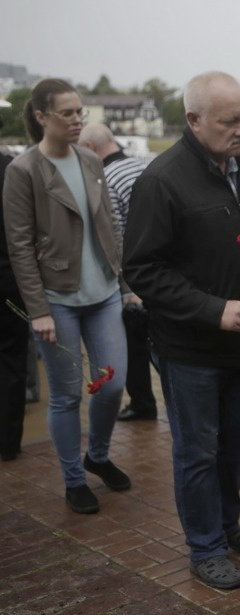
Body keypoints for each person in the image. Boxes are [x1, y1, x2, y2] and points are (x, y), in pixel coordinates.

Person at [123, 71, 240, 590]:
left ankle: (226, 523)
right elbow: (142, 269)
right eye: (229, 120)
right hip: (189, 346)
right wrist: (213, 309)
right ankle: (206, 546)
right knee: (198, 449)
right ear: (193, 120)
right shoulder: (162, 180)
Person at [2, 79, 130, 511]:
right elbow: (18, 246)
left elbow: (111, 227)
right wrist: (38, 310)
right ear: (42, 117)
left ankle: (97, 456)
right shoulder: (23, 171)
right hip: (57, 300)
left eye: (81, 112)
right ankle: (74, 479)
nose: (78, 120)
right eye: (68, 113)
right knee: (66, 395)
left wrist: (125, 284)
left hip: (105, 294)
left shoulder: (92, 161)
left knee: (113, 386)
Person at [77, 123, 157, 422]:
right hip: (158, 266)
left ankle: (142, 402)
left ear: (92, 149)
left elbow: (114, 234)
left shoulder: (106, 179)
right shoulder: (139, 168)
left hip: (132, 274)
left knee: (134, 346)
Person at [0, 143, 29, 462]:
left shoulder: (14, 169)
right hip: (11, 276)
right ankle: (8, 440)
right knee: (11, 359)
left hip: (10, 275)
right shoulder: (13, 169)